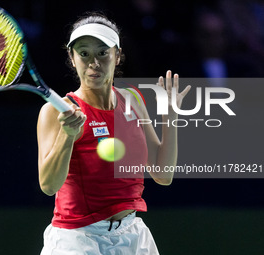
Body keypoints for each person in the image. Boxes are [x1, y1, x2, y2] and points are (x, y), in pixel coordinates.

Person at [37, 12, 191, 255]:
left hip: (132, 237)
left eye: (102, 52)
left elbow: (163, 174)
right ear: (72, 57)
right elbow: (48, 185)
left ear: (117, 56)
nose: (93, 62)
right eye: (84, 53)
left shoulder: (132, 100)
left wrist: (169, 116)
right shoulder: (55, 112)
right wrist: (67, 134)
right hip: (77, 240)